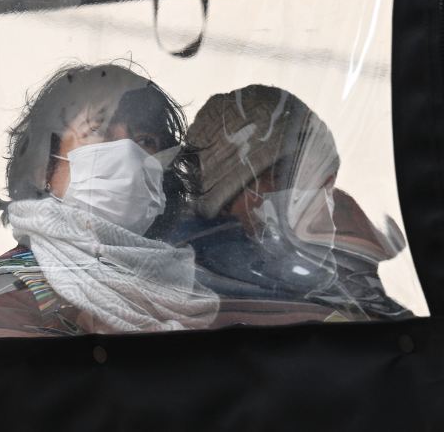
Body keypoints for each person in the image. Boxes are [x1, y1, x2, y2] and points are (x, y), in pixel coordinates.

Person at [0, 64, 220, 340]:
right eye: (97, 132)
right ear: (41, 167)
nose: (127, 155)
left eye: (145, 142)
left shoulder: (186, 291)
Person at [175, 85, 409, 323]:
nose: (307, 192)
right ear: (224, 204)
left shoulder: (350, 246)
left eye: (317, 174)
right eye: (280, 176)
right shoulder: (189, 292)